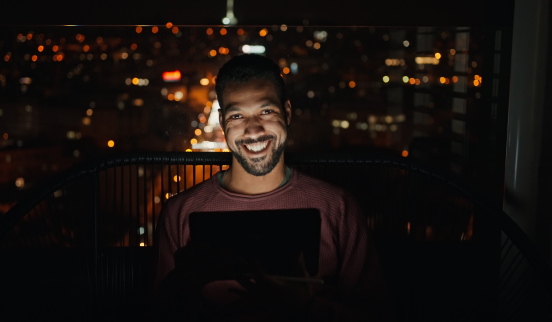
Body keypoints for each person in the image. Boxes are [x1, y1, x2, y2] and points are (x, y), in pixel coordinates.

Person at [151, 53, 393, 321]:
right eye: (237, 115)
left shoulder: (338, 207)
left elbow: (374, 312)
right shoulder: (180, 213)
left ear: (287, 112)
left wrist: (304, 308)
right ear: (222, 123)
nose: (253, 130)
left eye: (266, 111)